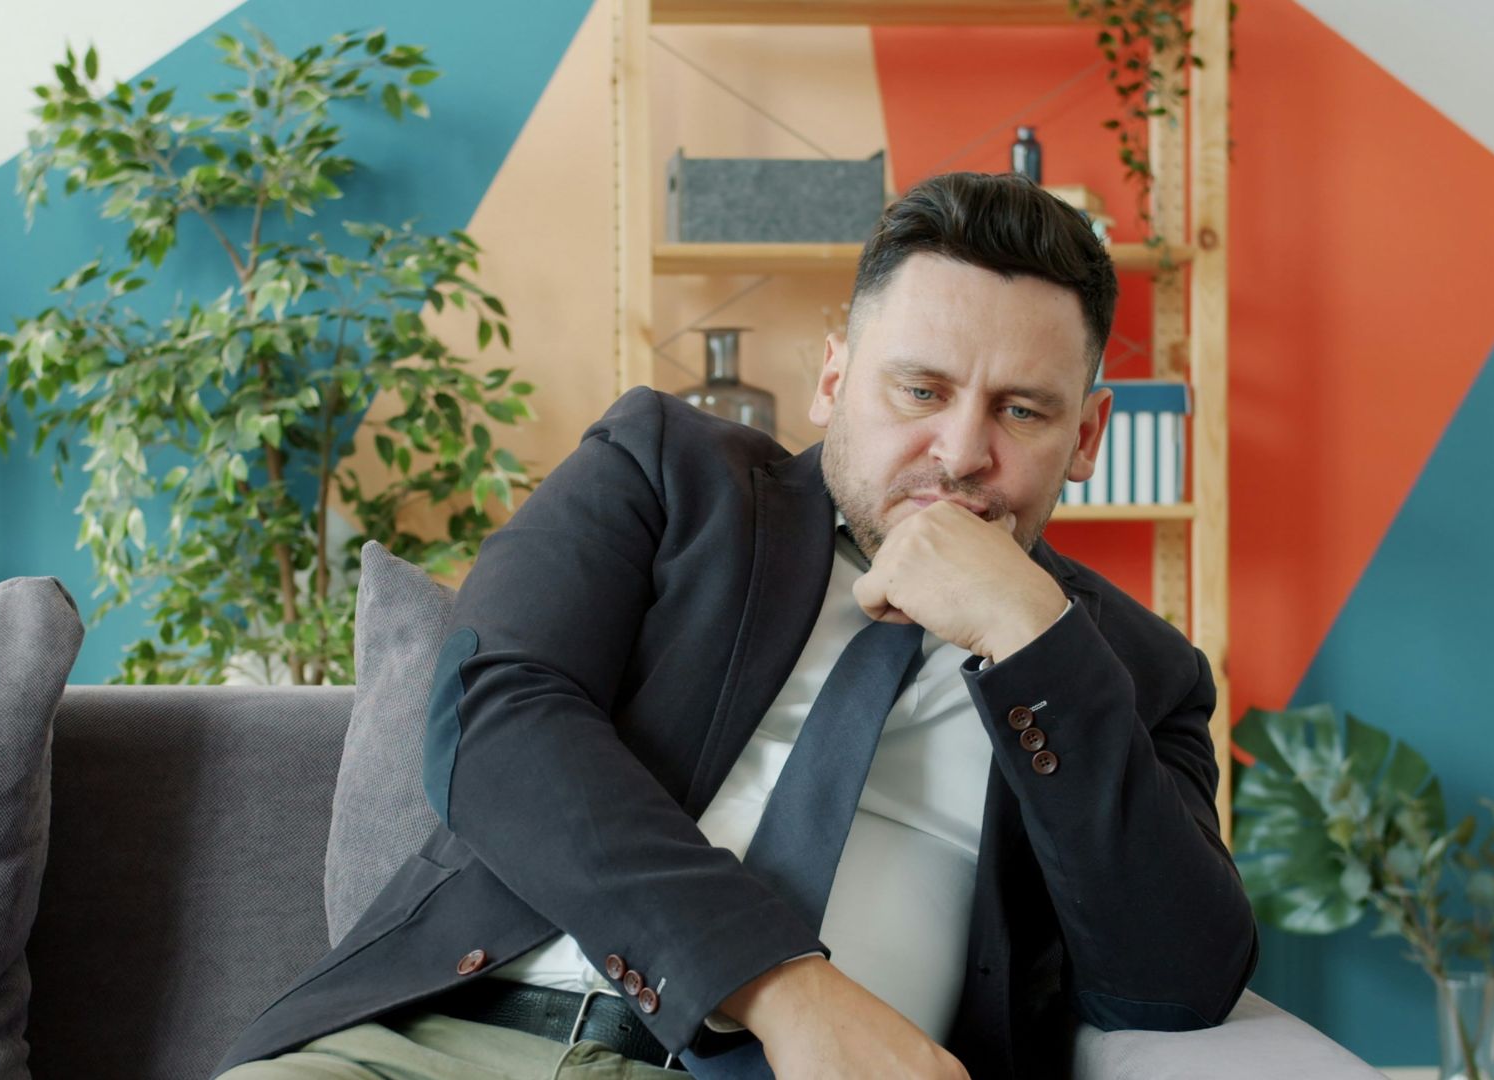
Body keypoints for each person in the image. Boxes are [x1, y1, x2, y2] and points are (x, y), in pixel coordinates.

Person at [215, 171, 1258, 1080]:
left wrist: (1038, 638)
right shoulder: (665, 472)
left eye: (1022, 412)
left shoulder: (1132, 673)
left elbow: (1175, 983)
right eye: (921, 389)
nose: (962, 450)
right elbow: (498, 720)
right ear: (836, 376)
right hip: (437, 1045)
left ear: (1086, 436)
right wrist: (783, 987)